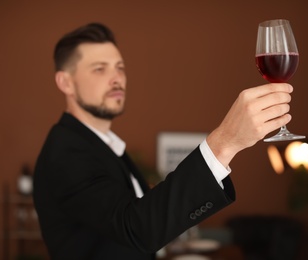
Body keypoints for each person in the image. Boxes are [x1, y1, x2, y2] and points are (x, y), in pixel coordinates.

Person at [33, 23, 293, 260]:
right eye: (100, 69)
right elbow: (138, 228)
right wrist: (224, 142)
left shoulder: (102, 146)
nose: (116, 78)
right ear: (65, 82)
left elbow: (139, 218)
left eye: (120, 67)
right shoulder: (66, 152)